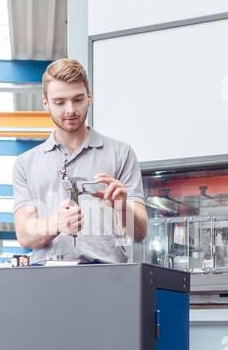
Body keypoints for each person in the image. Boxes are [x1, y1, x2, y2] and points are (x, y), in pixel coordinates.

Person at [13, 58, 148, 263]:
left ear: (89, 97)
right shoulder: (25, 163)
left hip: (108, 276)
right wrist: (57, 224)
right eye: (60, 102)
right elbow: (24, 235)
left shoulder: (121, 154)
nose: (70, 110)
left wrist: (122, 208)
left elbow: (140, 233)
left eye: (78, 99)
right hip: (47, 276)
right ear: (45, 102)